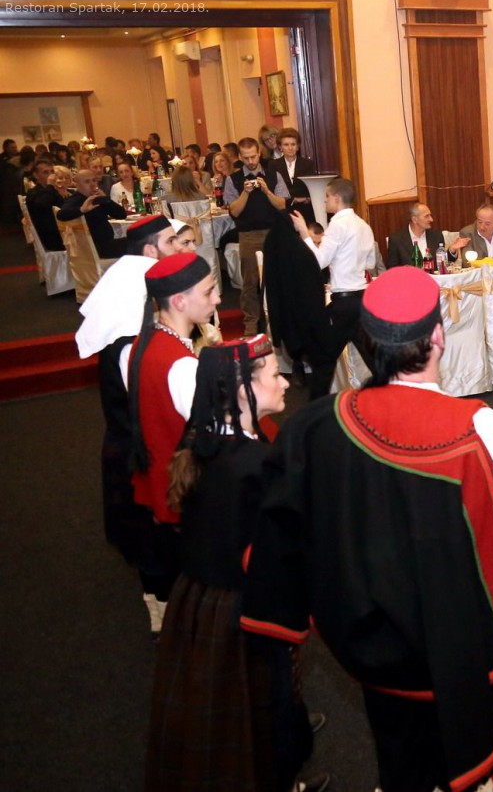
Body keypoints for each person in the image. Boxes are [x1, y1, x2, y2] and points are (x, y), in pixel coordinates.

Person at [241, 266, 493, 792]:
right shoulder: (482, 431)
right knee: (464, 758)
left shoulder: (319, 422)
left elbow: (283, 524)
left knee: (398, 747)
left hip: (369, 638)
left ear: (367, 341)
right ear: (438, 337)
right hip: (451, 640)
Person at [145, 335, 326, 792]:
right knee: (261, 700)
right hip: (246, 605)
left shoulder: (202, 442)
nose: (284, 383)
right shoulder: (257, 463)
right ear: (244, 390)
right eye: (274, 376)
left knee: (220, 703)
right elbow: (279, 549)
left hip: (199, 597)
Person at [75, 214, 179, 636]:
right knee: (151, 529)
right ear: (150, 251)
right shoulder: (132, 317)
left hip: (130, 435)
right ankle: (162, 609)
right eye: (171, 242)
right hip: (138, 442)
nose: (179, 247)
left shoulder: (131, 285)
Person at [123, 251, 220, 637]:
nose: (217, 299)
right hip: (182, 487)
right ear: (179, 301)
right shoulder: (182, 366)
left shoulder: (143, 343)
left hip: (155, 473)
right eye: (209, 291)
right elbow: (213, 432)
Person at [292, 176, 377, 397]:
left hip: (344, 303)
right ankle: (393, 399)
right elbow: (371, 263)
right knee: (373, 359)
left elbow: (319, 261)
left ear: (337, 198)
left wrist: (304, 233)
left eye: (327, 196)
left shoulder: (337, 225)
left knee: (324, 359)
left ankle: (314, 409)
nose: (325, 200)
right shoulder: (364, 225)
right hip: (362, 300)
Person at [224, 137, 290, 336]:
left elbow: (282, 205)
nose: (250, 161)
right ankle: (251, 323)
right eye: (246, 158)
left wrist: (267, 191)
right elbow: (234, 211)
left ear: (259, 153)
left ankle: (281, 319)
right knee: (250, 282)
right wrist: (245, 193)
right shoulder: (233, 179)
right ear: (240, 157)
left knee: (278, 277)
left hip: (274, 232)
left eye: (253, 156)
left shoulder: (273, 175)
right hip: (248, 235)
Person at [58, 168, 129, 259]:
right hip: (96, 249)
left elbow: (121, 215)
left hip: (106, 244)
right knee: (137, 242)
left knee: (136, 239)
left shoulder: (97, 199)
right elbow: (61, 215)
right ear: (78, 185)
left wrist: (105, 199)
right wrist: (82, 210)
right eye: (87, 182)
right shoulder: (75, 200)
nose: (92, 184)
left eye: (94, 180)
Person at [386, 202, 468, 268]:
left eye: (430, 215)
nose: (431, 219)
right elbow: (392, 269)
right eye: (426, 216)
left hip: (435, 281)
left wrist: (452, 249)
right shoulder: (397, 239)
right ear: (415, 219)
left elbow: (444, 263)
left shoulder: (436, 236)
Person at [269, 127, 318, 224]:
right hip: (283, 213)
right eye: (286, 145)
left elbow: (311, 187)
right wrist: (293, 199)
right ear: (280, 147)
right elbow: (273, 189)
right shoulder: (273, 165)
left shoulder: (308, 164)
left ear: (298, 146)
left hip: (305, 211)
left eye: (293, 144)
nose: (290, 148)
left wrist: (305, 198)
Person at [23, 158, 66, 251]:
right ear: (36, 175)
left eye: (52, 172)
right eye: (45, 172)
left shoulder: (54, 190)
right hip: (51, 237)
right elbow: (43, 204)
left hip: (61, 230)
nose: (50, 175)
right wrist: (50, 186)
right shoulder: (33, 193)